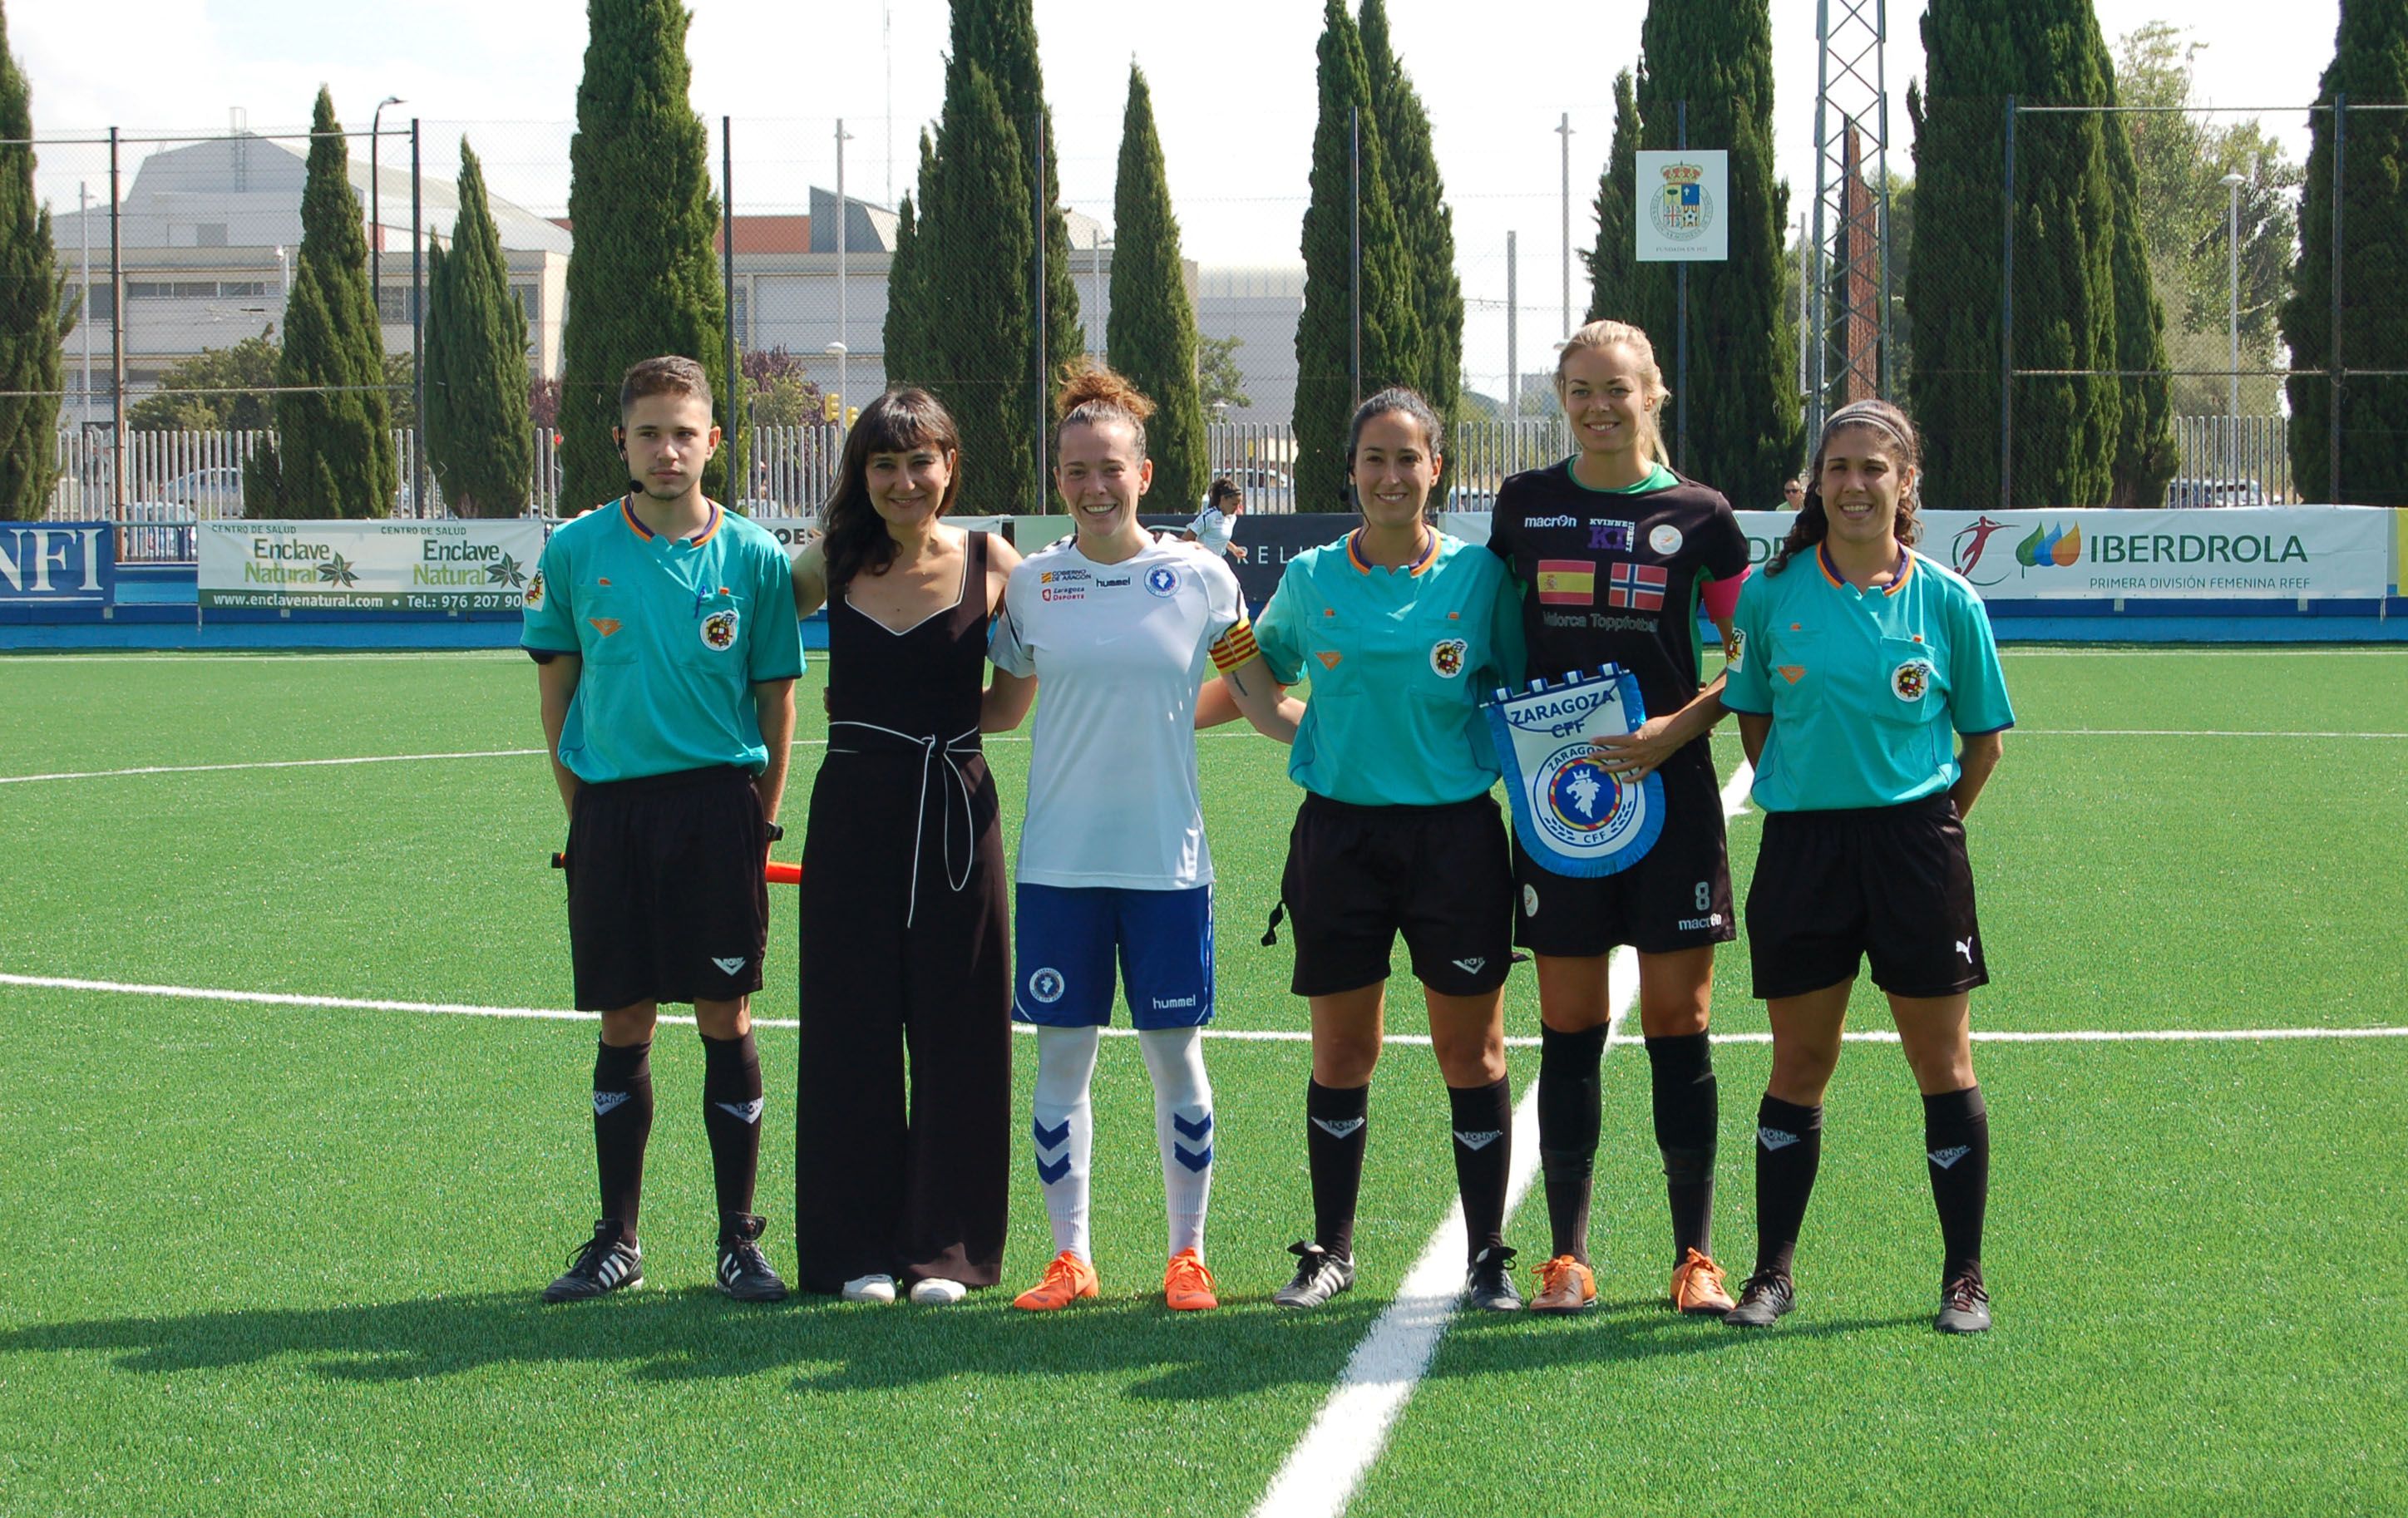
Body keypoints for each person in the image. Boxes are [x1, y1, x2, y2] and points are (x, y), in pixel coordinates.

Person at [985, 362, 1296, 1313]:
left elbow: (1257, 702)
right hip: (1058, 868)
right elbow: (995, 710)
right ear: (1059, 477)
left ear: (1145, 472)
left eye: (1108, 467)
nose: (1091, 485)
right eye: (1074, 469)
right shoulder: (1033, 587)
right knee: (1060, 1059)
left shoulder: (1203, 578)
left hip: (1167, 864)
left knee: (1176, 1056)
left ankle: (1186, 1254)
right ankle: (1069, 1255)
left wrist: (1355, 731)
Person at [1717, 397, 2011, 1334]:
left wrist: (1928, 828)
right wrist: (1810, 795)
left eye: (1873, 468)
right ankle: (1771, 1272)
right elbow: (1754, 720)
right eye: (1838, 467)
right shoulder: (1772, 596)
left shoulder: (1948, 600)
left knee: (1942, 1060)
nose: (1854, 484)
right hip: (1805, 849)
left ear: (1905, 482)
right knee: (1800, 1059)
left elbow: (1981, 745)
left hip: (1916, 846)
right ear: (1817, 481)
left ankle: (1962, 1274)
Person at [1236, 387, 1529, 1313]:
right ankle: (1332, 1249)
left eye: (1409, 457)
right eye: (1374, 457)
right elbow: (1261, 671)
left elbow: (1521, 697)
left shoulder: (1480, 579)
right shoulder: (1314, 577)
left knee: (1471, 1052)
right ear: (1351, 469)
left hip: (1456, 838)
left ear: (1436, 468)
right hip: (1339, 836)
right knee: (1342, 1050)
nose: (1391, 475)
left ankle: (1487, 1255)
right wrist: (1300, 726)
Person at [521, 355, 802, 1304]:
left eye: (685, 432)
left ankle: (737, 1238)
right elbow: (556, 696)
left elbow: (777, 703)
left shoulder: (756, 558)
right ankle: (618, 1237)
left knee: (726, 1014)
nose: (667, 449)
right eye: (649, 432)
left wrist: (761, 820)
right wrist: (584, 813)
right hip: (613, 815)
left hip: (719, 812)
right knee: (625, 1016)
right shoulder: (574, 550)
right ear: (621, 441)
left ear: (713, 442)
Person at [1484, 319, 1752, 1316]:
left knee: (1680, 1020)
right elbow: (1497, 635)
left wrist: (1675, 730)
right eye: (1581, 390)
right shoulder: (1526, 504)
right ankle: (1567, 1256)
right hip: (1559, 803)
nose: (1599, 406)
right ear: (1563, 398)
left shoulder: (1701, 513)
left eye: (1618, 389)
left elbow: (1750, 653)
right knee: (1569, 1024)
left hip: (1670, 793)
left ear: (1655, 394)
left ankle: (1695, 1256)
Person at [787, 388, 1023, 1306]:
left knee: (961, 1028)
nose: (902, 480)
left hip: (957, 813)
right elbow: (753, 652)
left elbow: (1007, 698)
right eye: (882, 463)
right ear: (863, 474)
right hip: (851, 810)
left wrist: (948, 741)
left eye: (919, 461)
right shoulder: (829, 562)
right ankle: (855, 1251)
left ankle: (948, 1251)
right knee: (849, 1027)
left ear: (949, 465)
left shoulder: (991, 558)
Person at [1182, 478, 1249, 564]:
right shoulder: (1208, 517)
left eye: (1239, 504)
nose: (1237, 508)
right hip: (1201, 564)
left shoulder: (1232, 518)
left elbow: (1217, 536)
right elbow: (1184, 540)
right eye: (1234, 504)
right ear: (1223, 499)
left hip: (1216, 563)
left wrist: (1234, 549)